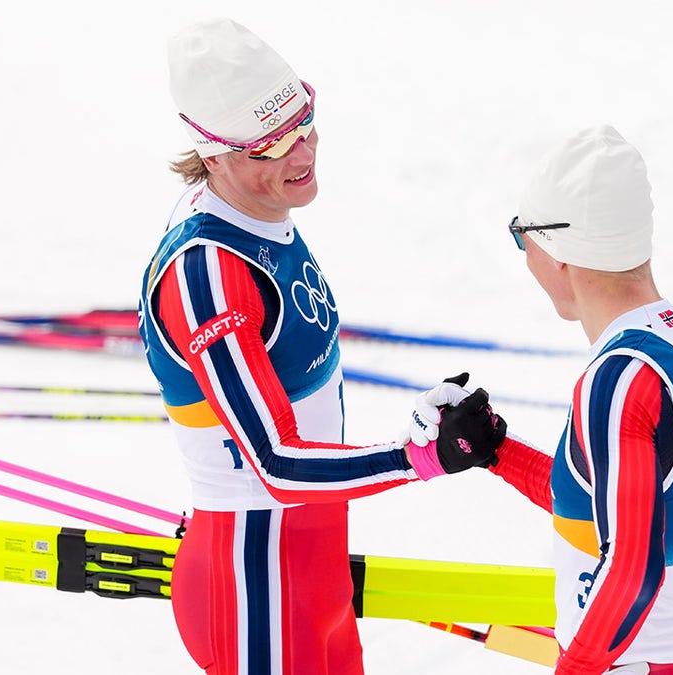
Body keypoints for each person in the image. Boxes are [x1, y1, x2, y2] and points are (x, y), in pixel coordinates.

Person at [136, 18, 504, 675]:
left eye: (304, 125)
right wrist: (419, 454)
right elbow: (274, 465)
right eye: (269, 147)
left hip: (307, 569)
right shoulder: (209, 275)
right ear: (212, 152)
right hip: (255, 582)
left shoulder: (254, 208)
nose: (300, 155)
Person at [412, 126, 673, 674]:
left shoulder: (619, 378)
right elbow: (623, 512)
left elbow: (633, 567)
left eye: (522, 238)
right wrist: (497, 451)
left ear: (557, 253)